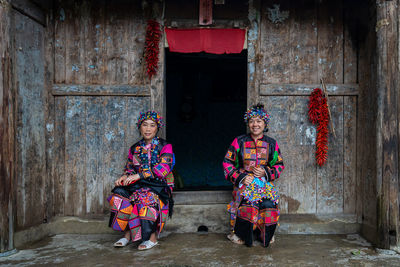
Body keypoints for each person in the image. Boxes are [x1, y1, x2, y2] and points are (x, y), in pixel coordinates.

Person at [107, 110, 175, 250]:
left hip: (159, 184)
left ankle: (152, 238)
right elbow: (130, 168)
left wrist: (139, 176)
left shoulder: (165, 146)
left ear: (157, 128)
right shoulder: (135, 148)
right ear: (140, 127)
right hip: (140, 184)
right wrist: (125, 177)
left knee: (145, 197)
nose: (148, 129)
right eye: (145, 125)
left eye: (152, 125)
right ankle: (127, 235)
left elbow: (163, 169)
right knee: (119, 194)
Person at [223, 104, 284, 247]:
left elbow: (279, 165)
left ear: (265, 123)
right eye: (251, 121)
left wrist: (266, 172)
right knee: (247, 204)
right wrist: (242, 177)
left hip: (264, 184)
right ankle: (238, 234)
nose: (255, 124)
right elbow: (227, 162)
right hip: (245, 183)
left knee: (268, 204)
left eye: (258, 121)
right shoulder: (239, 142)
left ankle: (265, 233)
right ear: (248, 124)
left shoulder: (271, 144)